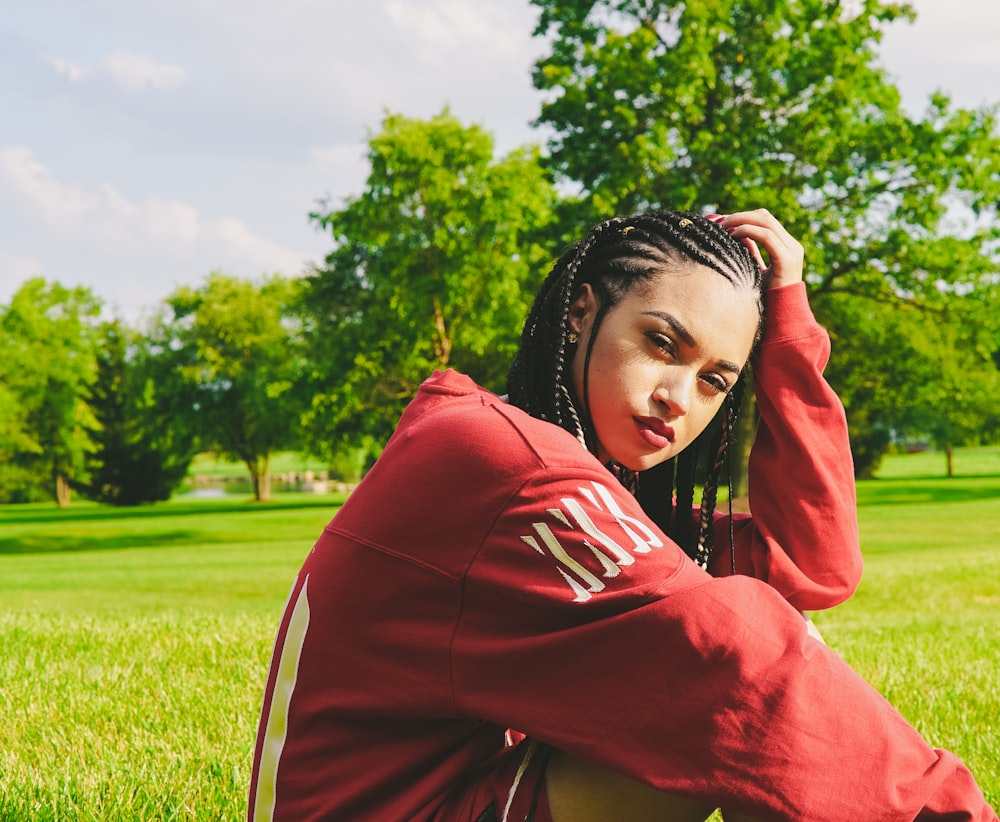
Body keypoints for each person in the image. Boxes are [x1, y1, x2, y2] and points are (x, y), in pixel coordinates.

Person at [247, 209, 996, 821]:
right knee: (731, 687)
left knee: (749, 663)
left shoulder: (577, 478)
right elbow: (742, 653)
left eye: (715, 382)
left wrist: (789, 336)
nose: (679, 396)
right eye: (662, 343)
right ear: (581, 312)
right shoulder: (503, 462)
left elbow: (809, 564)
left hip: (461, 796)